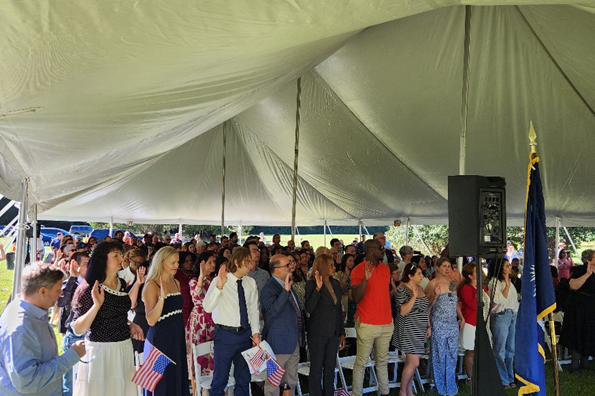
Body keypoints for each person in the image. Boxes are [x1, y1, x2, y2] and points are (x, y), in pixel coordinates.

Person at [0, 263, 86, 396]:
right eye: (58, 289)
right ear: (43, 291)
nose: (61, 292)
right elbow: (28, 382)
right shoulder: (21, 327)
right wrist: (72, 355)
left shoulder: (32, 311)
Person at [71, 241, 144, 396]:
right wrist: (96, 305)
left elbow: (118, 311)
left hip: (123, 348)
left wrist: (129, 323)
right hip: (101, 351)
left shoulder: (121, 283)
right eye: (115, 255)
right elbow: (78, 328)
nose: (121, 258)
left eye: (121, 254)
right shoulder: (89, 288)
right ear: (103, 259)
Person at [203, 247, 261, 396]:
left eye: (251, 262)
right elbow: (207, 307)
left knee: (243, 378)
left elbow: (253, 310)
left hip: (245, 335)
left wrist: (255, 333)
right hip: (225, 335)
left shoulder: (250, 283)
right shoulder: (219, 280)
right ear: (236, 262)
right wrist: (219, 286)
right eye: (247, 262)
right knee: (220, 379)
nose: (251, 265)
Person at [142, 246, 190, 396]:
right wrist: (162, 297)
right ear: (162, 262)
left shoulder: (176, 282)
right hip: (160, 342)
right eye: (173, 263)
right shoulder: (151, 285)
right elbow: (150, 320)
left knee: (176, 379)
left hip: (176, 339)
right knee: (161, 383)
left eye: (177, 262)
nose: (177, 265)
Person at [350, 239, 393, 396]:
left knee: (382, 362)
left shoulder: (385, 269)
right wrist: (365, 281)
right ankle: (356, 393)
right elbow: (355, 298)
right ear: (370, 250)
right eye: (380, 248)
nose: (383, 250)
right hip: (367, 323)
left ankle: (385, 392)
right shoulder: (358, 270)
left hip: (386, 322)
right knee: (361, 363)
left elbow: (383, 294)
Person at [261, 254, 304, 396]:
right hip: (278, 344)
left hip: (293, 341)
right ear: (277, 269)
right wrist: (285, 291)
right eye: (287, 265)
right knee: (273, 383)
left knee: (290, 381)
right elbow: (273, 311)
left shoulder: (287, 284)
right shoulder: (269, 288)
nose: (291, 267)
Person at [305, 254, 346, 396]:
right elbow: (309, 308)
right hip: (318, 333)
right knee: (316, 369)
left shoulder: (335, 283)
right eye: (331, 265)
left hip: (333, 333)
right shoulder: (311, 284)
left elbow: (338, 310)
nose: (334, 268)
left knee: (330, 368)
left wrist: (341, 333)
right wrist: (317, 289)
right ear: (322, 267)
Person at [425, 258, 463, 396]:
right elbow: (425, 307)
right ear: (437, 268)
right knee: (439, 354)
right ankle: (437, 384)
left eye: (449, 266)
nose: (447, 269)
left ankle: (450, 384)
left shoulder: (453, 283)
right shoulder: (432, 284)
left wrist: (462, 318)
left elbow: (456, 303)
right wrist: (434, 295)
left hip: (452, 323)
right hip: (438, 323)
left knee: (452, 354)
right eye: (444, 266)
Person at [56, 252, 89, 396]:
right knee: (71, 382)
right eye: (86, 264)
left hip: (90, 336)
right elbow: (61, 302)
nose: (90, 267)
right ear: (76, 266)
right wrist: (73, 277)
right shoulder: (70, 283)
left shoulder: (95, 283)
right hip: (74, 337)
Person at [393, 264, 429, 396]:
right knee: (414, 362)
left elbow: (424, 308)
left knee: (411, 362)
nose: (422, 276)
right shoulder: (402, 290)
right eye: (419, 273)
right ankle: (402, 391)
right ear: (410, 276)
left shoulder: (420, 288)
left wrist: (428, 325)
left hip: (419, 329)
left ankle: (408, 390)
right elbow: (403, 311)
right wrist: (413, 296)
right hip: (408, 329)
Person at [560, 249, 595, 372]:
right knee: (578, 334)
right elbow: (573, 286)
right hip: (578, 308)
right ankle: (574, 365)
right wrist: (587, 274)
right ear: (588, 260)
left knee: (589, 334)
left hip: (591, 308)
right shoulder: (580, 270)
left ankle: (585, 363)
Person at [487, 259, 519, 389]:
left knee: (510, 349)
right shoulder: (494, 282)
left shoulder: (511, 282)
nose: (510, 267)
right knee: (500, 349)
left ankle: (510, 377)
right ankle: (502, 378)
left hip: (511, 314)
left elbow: (514, 299)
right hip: (501, 316)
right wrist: (506, 285)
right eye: (507, 266)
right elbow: (499, 299)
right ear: (500, 269)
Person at [457, 262, 490, 385]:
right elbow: (472, 305)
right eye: (476, 272)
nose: (480, 273)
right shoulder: (466, 289)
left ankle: (480, 374)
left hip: (482, 321)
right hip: (471, 322)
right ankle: (470, 377)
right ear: (470, 276)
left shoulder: (482, 287)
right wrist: (478, 293)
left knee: (480, 350)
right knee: (471, 351)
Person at [186, 251, 217, 378]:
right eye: (209, 262)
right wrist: (201, 277)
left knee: (212, 350)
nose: (212, 265)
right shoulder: (194, 280)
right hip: (199, 320)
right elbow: (196, 296)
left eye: (214, 262)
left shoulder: (215, 280)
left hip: (213, 318)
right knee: (199, 350)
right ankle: (197, 382)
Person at [175, 251, 197, 326]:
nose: (189, 263)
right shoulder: (176, 275)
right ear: (181, 263)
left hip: (193, 307)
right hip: (182, 307)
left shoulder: (194, 274)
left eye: (191, 261)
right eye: (186, 261)